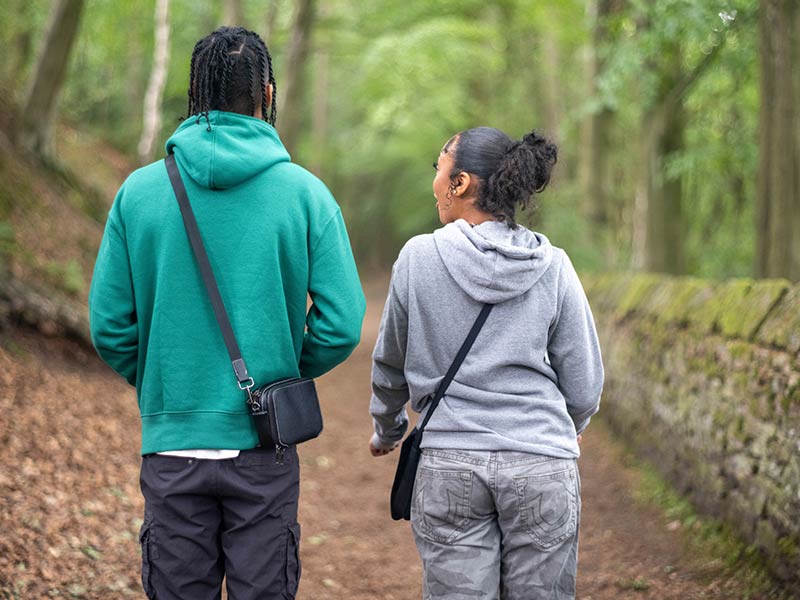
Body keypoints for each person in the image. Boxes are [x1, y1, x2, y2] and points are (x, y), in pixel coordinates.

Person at [89, 26, 365, 600]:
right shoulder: (305, 194)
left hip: (171, 445)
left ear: (196, 91)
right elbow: (341, 323)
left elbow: (109, 326)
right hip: (264, 443)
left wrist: (168, 379)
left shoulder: (137, 194)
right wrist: (282, 371)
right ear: (267, 93)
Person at [368, 127, 604, 599]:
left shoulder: (418, 259)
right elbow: (584, 384)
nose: (434, 181)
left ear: (460, 183)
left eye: (438, 169)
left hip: (449, 461)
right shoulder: (553, 265)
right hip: (542, 462)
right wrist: (567, 423)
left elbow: (390, 364)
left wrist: (388, 429)